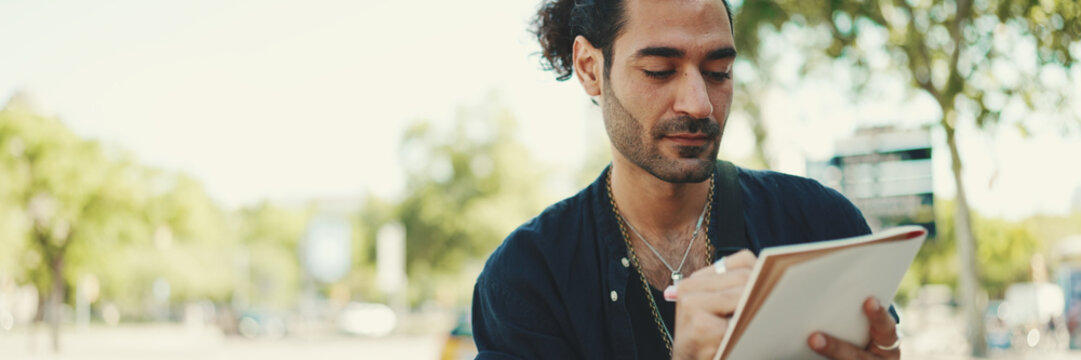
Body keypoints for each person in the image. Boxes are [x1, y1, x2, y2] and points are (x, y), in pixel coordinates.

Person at [471, 0, 901, 359]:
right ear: (588, 68)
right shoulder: (528, 274)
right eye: (659, 69)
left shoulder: (820, 225)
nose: (699, 104)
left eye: (718, 73)